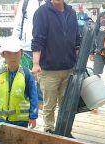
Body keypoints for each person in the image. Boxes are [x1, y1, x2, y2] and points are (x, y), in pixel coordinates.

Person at [32, 0, 80, 133]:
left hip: (69, 68)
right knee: (49, 105)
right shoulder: (41, 12)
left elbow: (77, 39)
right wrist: (36, 64)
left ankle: (64, 131)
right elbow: (37, 40)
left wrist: (78, 61)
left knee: (66, 105)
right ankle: (49, 130)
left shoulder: (71, 12)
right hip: (48, 70)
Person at [0, 38, 38, 128]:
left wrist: (33, 117)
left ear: (21, 54)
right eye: (9, 53)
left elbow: (34, 97)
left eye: (16, 53)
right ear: (3, 55)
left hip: (21, 121)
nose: (13, 57)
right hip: (1, 119)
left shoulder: (27, 74)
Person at [13, 0, 45, 103]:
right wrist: (15, 46)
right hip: (26, 46)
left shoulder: (50, 2)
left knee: (42, 76)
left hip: (44, 47)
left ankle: (40, 101)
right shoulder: (25, 2)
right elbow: (17, 25)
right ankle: (26, 99)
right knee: (25, 76)